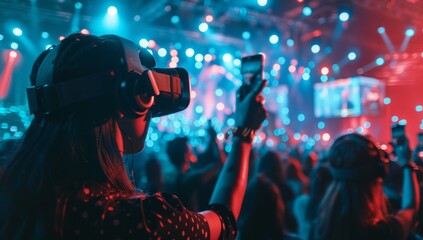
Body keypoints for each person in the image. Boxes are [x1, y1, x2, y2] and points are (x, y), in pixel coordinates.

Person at [0, 33, 267, 240]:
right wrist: (244, 133)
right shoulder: (141, 220)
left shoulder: (9, 179)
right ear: (133, 99)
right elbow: (224, 221)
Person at [311, 133, 420, 240]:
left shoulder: (318, 228)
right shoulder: (381, 232)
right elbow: (410, 208)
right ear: (379, 171)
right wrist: (407, 164)